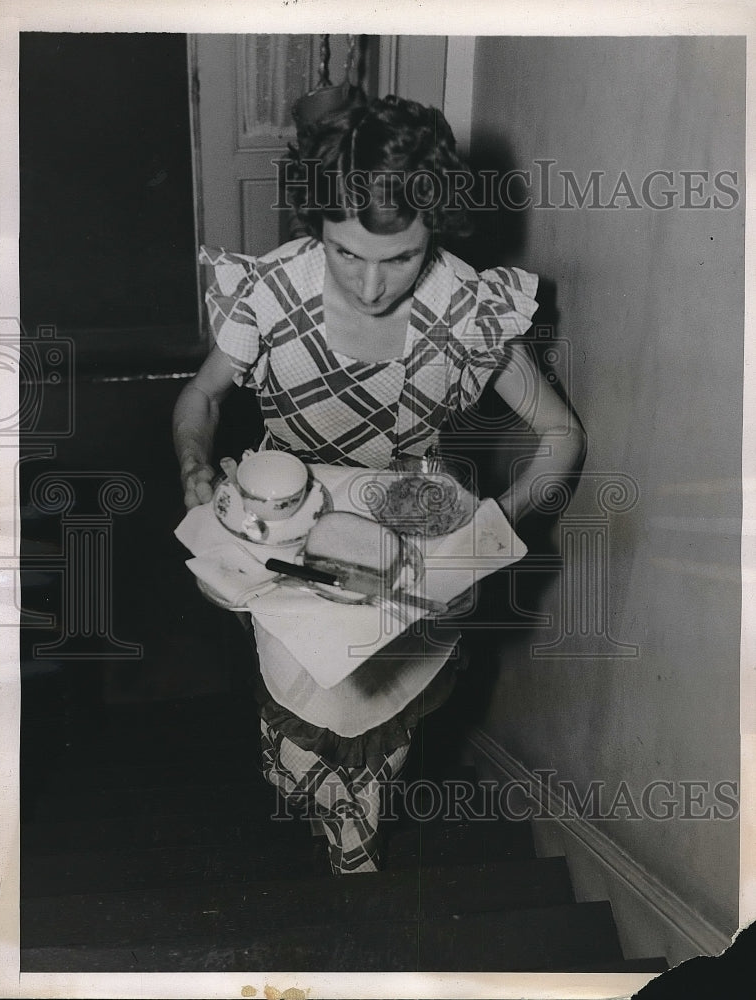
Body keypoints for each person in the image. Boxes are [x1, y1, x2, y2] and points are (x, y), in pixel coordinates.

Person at [173, 95, 586, 875]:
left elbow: (561, 436)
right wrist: (194, 460)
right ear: (316, 227)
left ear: (434, 229)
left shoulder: (467, 308)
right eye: (344, 253)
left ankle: (352, 841)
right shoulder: (268, 290)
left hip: (408, 525)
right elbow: (200, 397)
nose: (369, 286)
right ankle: (304, 791)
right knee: (297, 690)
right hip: (282, 519)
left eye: (397, 259)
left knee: (373, 718)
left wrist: (494, 522)